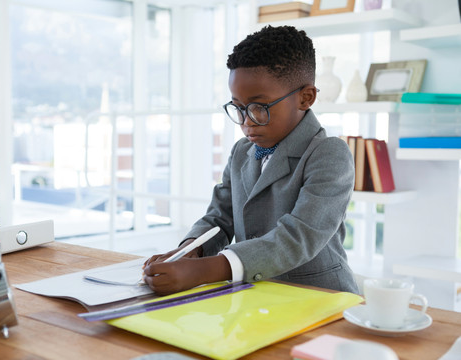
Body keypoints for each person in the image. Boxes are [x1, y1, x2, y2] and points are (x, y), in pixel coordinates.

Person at [143, 25, 358, 296]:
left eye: (259, 107)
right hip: (255, 296)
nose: (246, 122)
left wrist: (205, 271)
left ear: (306, 98)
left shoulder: (329, 154)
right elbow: (219, 218)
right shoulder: (242, 151)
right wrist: (188, 251)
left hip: (318, 297)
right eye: (239, 108)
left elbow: (298, 238)